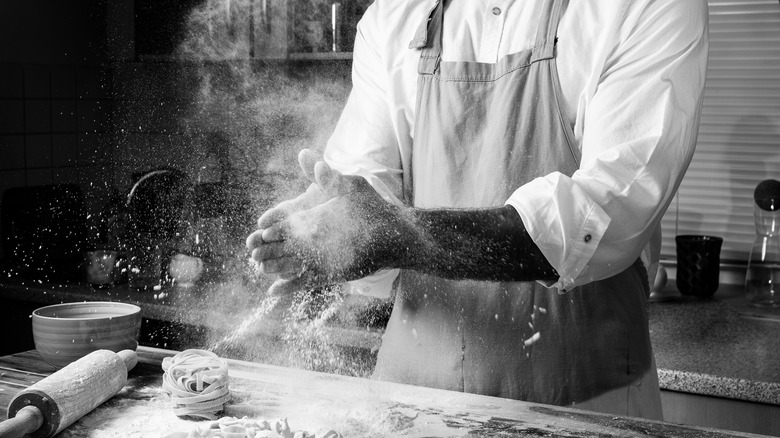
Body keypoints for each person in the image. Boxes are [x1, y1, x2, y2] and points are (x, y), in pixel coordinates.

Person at [247, 0, 709, 420]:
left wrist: (390, 233)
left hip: (585, 408)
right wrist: (330, 222)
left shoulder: (643, 7)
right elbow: (364, 192)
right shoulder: (393, 18)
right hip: (412, 406)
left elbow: (605, 216)